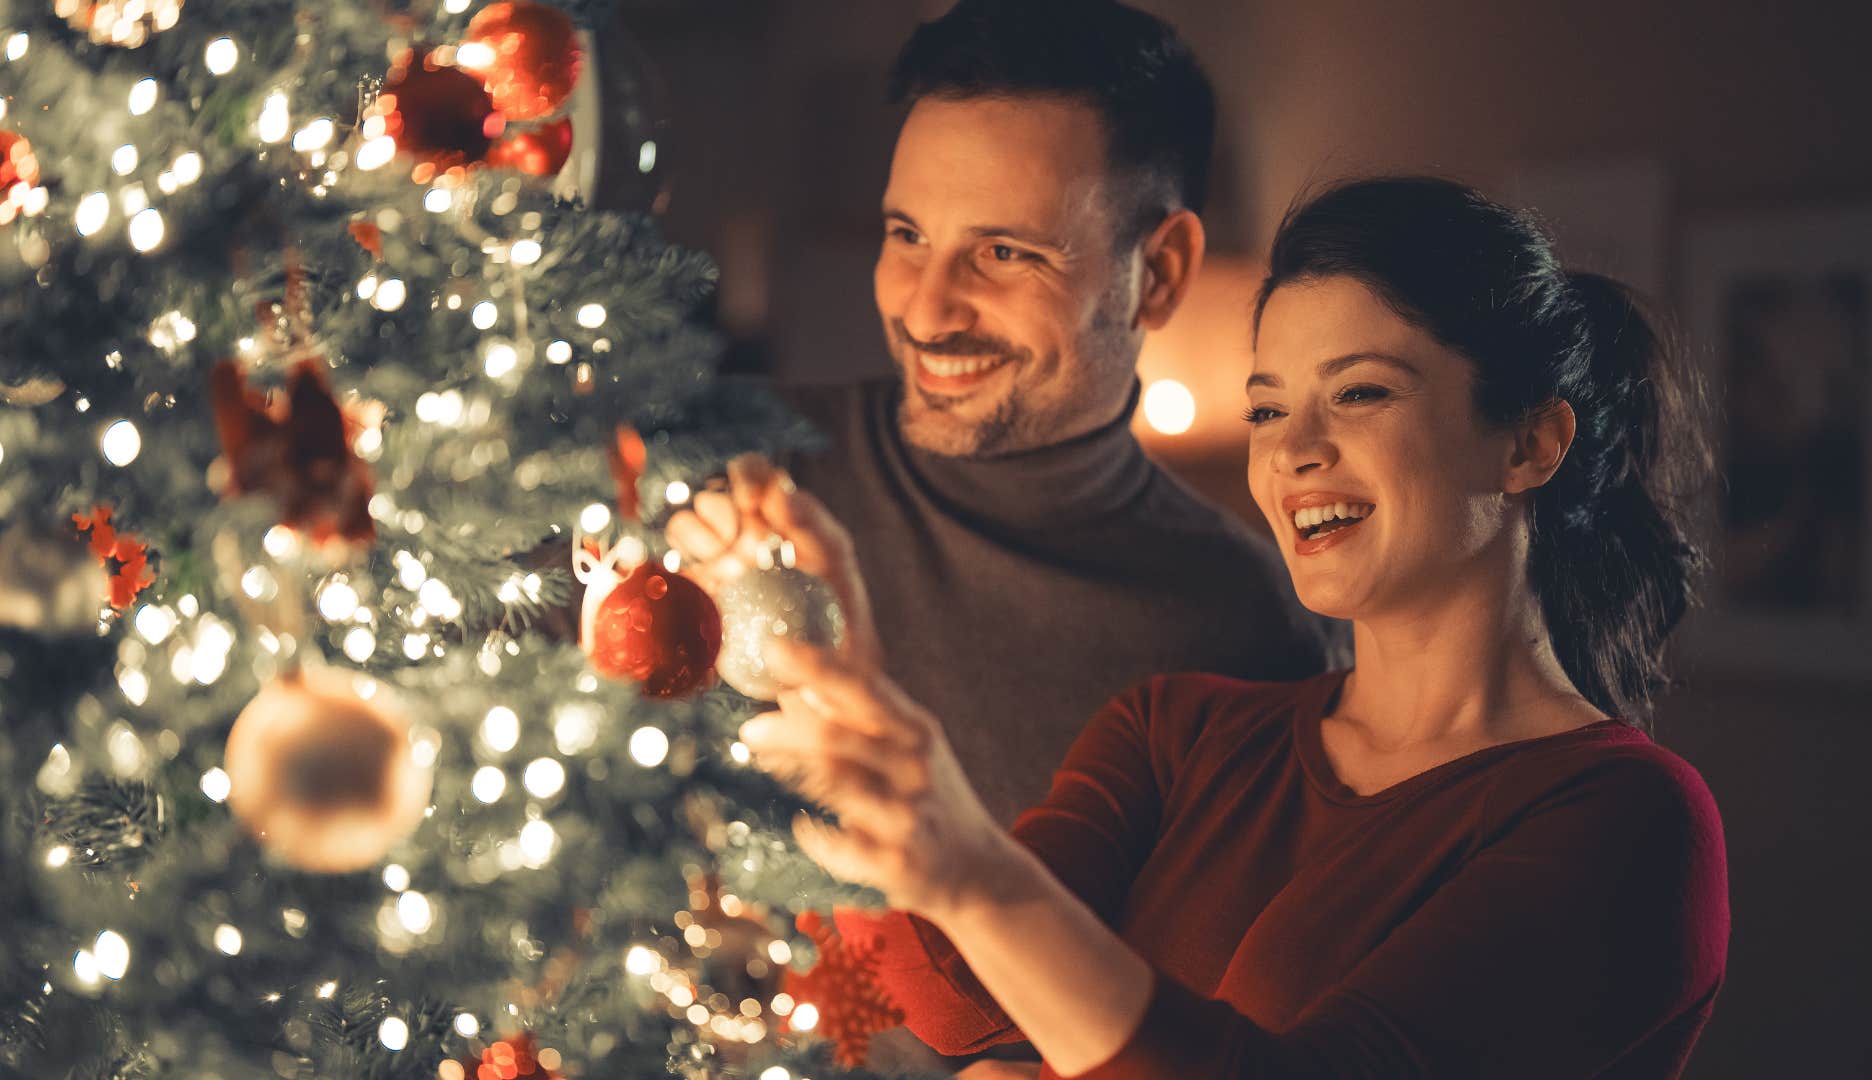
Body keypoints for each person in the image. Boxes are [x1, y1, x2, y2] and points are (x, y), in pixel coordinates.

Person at [736, 177, 1730, 1078]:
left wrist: (977, 879)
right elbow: (958, 1001)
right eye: (1266, 409)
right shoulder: (1180, 732)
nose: (1293, 451)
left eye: (1359, 393)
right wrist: (824, 687)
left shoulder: (1628, 818)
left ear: (1529, 442)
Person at [668, 0, 1331, 832]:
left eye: (1003, 253)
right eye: (907, 235)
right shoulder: (730, 465)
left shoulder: (1242, 627)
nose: (928, 307)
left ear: (1159, 273)